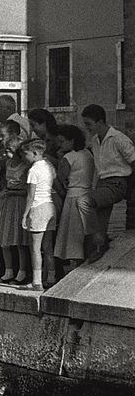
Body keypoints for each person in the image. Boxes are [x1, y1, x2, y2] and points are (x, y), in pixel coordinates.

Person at [81, 104, 135, 258]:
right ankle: (99, 245)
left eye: (89, 124)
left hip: (118, 183)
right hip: (103, 184)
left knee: (84, 202)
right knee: (98, 214)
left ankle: (100, 239)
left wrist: (130, 189)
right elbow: (99, 169)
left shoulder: (118, 139)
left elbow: (133, 161)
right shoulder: (95, 141)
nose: (87, 128)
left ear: (100, 122)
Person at [54, 124, 95, 273]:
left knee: (72, 233)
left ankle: (75, 264)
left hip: (73, 196)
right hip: (88, 193)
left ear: (72, 140)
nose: (60, 144)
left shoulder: (68, 157)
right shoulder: (88, 154)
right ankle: (85, 260)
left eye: (63, 141)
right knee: (85, 231)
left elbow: (61, 177)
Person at [20, 138, 56, 291]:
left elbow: (31, 195)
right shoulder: (49, 165)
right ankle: (51, 277)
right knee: (48, 246)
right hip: (50, 205)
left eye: (26, 154)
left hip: (37, 207)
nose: (24, 157)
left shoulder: (33, 170)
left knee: (35, 248)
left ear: (34, 153)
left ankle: (37, 281)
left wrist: (25, 214)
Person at [0, 137, 29, 285]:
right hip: (8, 202)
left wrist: (13, 192)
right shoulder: (7, 163)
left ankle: (21, 272)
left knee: (19, 240)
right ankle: (8, 271)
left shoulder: (25, 166)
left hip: (19, 201)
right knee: (5, 239)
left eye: (8, 150)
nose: (5, 153)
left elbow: (28, 189)